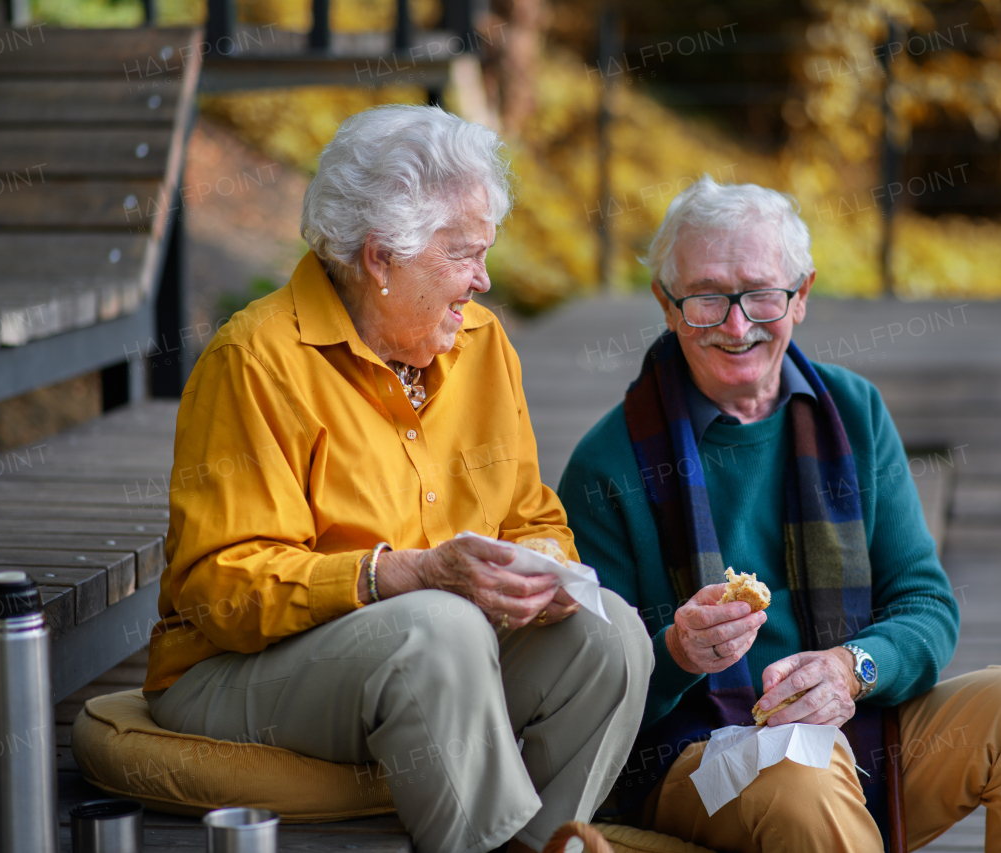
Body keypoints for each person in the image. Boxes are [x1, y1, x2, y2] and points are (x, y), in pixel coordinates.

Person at [141, 104, 652, 853]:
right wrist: (396, 575)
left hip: (436, 653)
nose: (482, 279)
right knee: (437, 626)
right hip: (237, 669)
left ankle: (540, 840)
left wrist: (546, 571)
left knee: (612, 636)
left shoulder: (482, 345)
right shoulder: (255, 360)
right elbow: (223, 591)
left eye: (486, 252)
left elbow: (530, 513)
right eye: (462, 254)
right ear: (380, 257)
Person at [558, 176, 1001, 853]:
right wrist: (676, 652)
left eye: (761, 294)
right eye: (706, 298)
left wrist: (852, 667)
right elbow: (583, 692)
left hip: (857, 731)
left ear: (801, 296)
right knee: (800, 777)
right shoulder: (607, 464)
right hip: (691, 759)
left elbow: (925, 603)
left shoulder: (853, 410)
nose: (736, 325)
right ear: (667, 303)